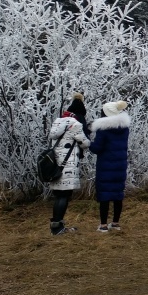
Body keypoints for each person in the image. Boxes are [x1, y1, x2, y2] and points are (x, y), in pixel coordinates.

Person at [47, 101, 90, 235]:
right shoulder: (75, 124)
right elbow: (85, 143)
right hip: (68, 166)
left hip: (56, 165)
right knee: (64, 196)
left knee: (59, 196)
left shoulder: (57, 122)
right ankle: (58, 228)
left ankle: (56, 226)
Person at [88, 100, 130, 232]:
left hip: (105, 165)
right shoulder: (124, 129)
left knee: (105, 194)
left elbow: (97, 148)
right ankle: (116, 223)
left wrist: (87, 142)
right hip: (120, 165)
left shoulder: (103, 130)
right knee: (118, 194)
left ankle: (103, 225)